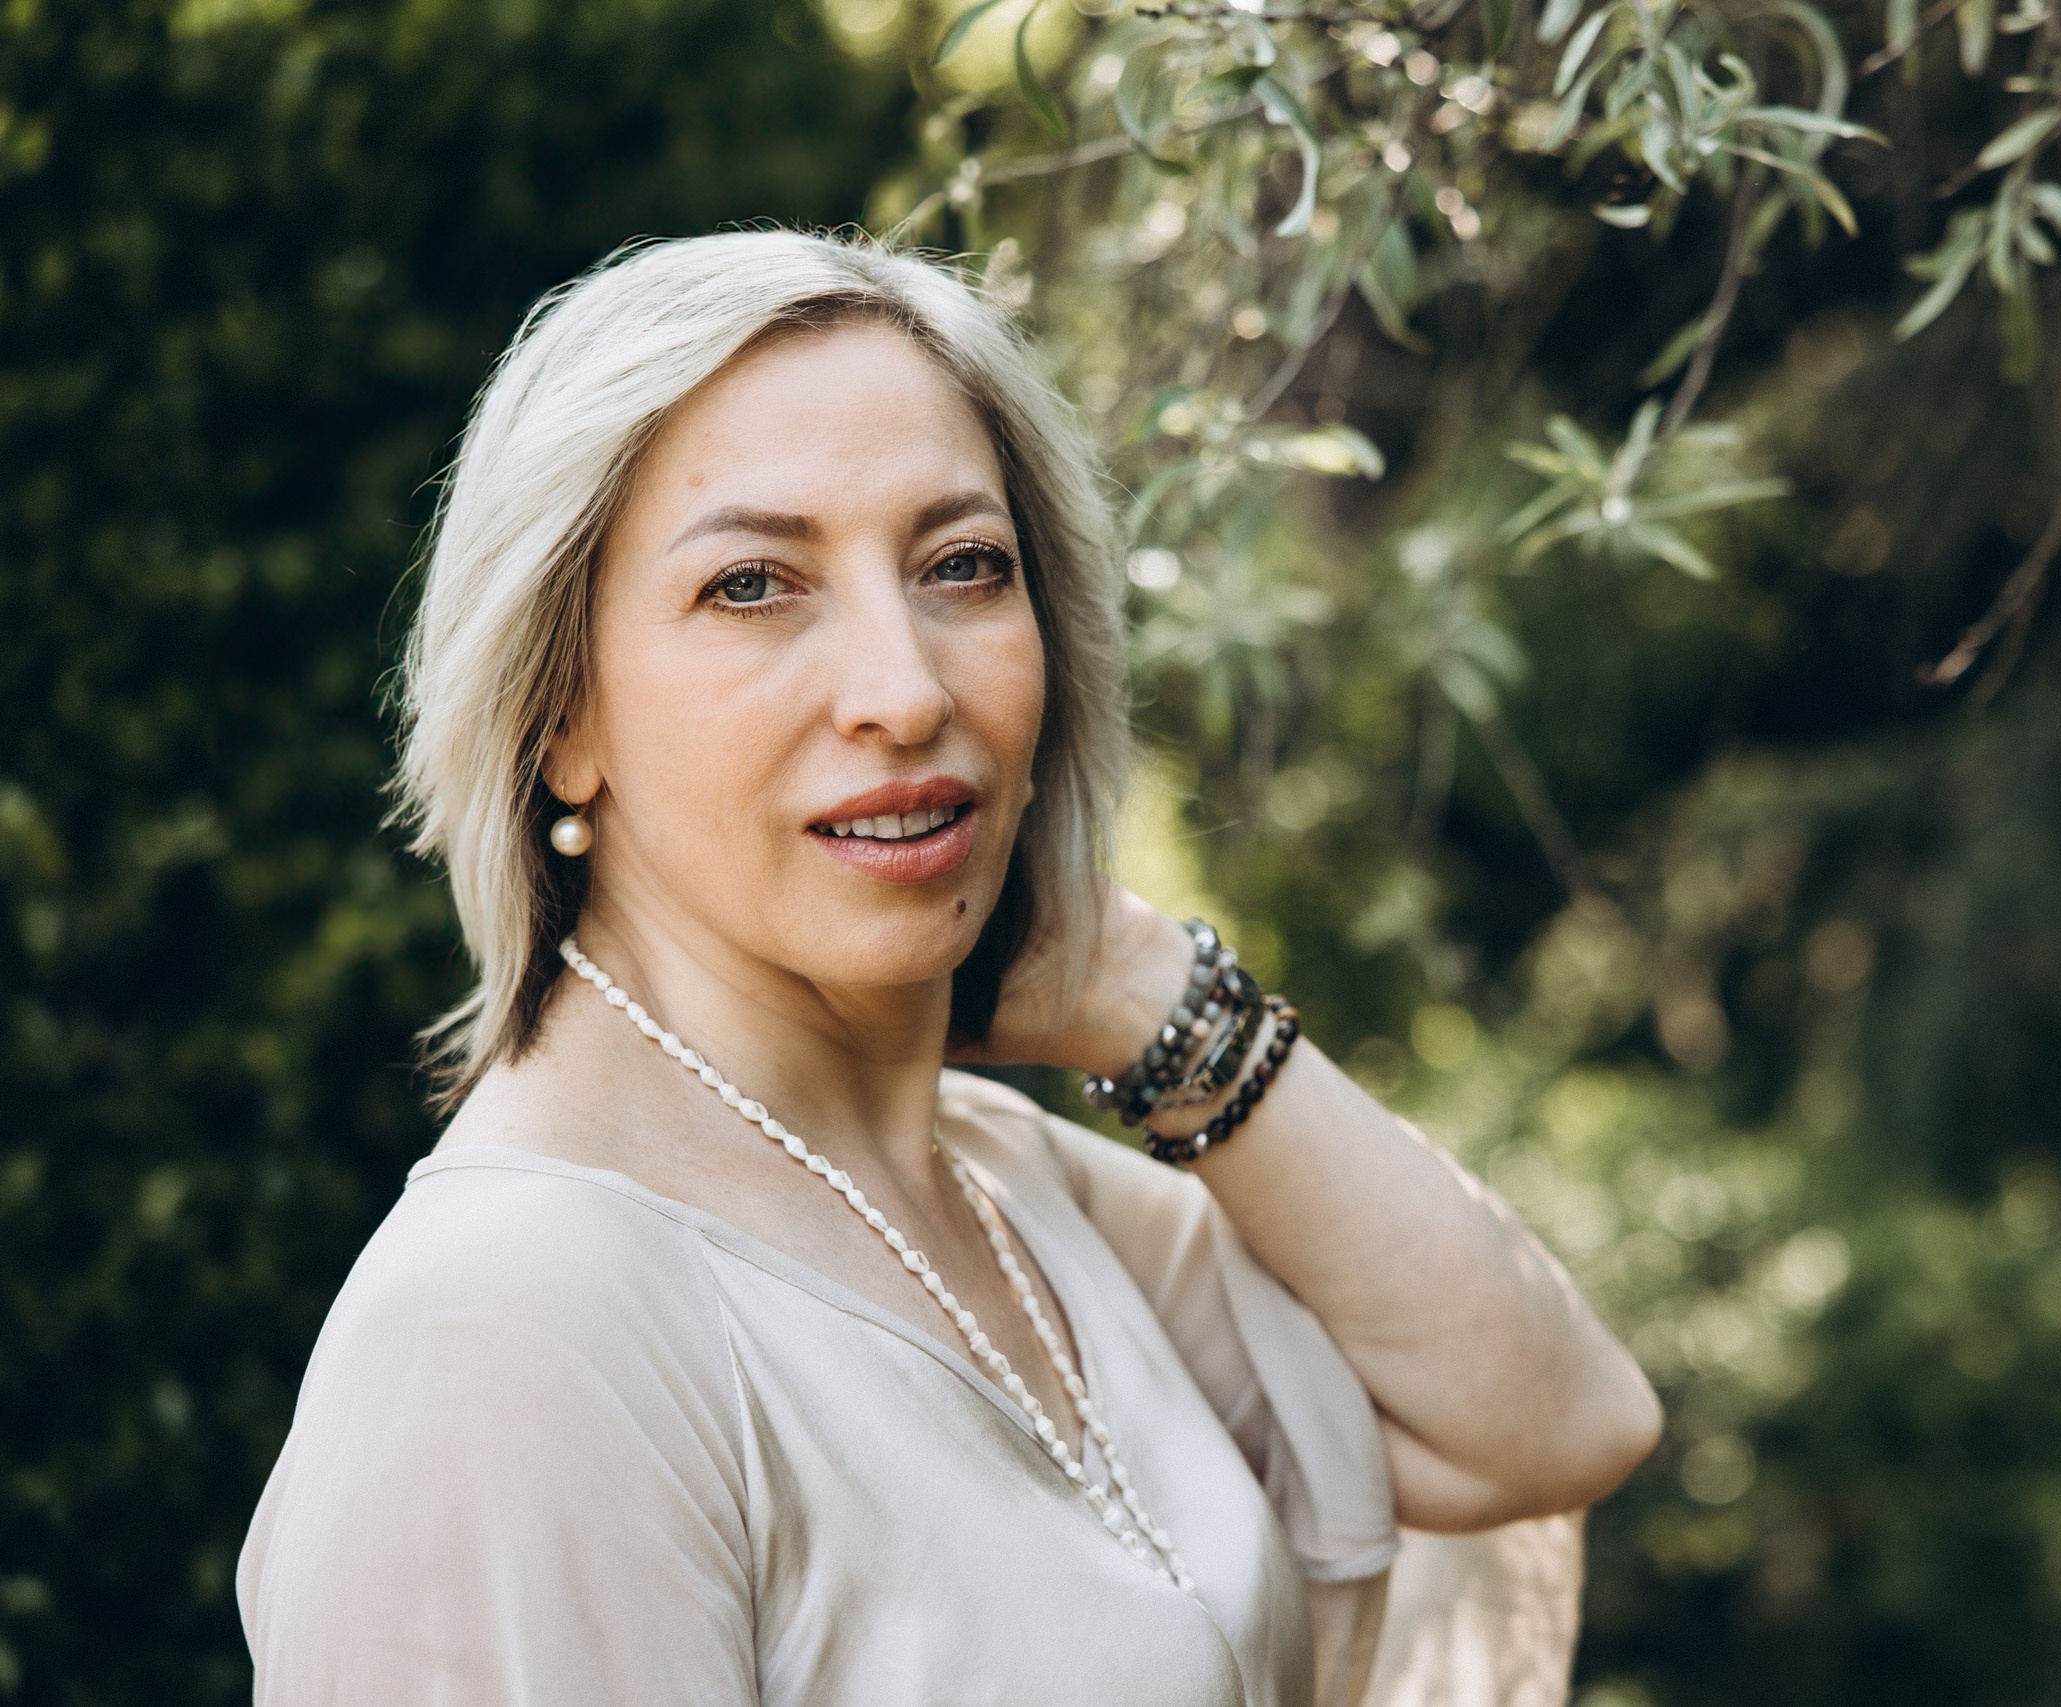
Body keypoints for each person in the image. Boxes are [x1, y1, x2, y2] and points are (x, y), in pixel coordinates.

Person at [235, 228, 1661, 1707]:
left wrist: (1132, 987)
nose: (907, 693)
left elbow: (1550, 1421)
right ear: (558, 720)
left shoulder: (993, 1187)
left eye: (962, 567)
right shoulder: (520, 1324)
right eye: (752, 585)